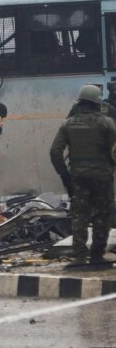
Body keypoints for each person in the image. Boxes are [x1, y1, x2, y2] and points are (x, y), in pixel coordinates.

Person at [50, 85, 116, 263]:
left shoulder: (68, 124)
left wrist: (66, 176)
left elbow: (55, 152)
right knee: (103, 214)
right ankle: (97, 254)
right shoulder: (107, 123)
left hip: (78, 178)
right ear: (97, 103)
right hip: (102, 177)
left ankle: (79, 255)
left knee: (80, 215)